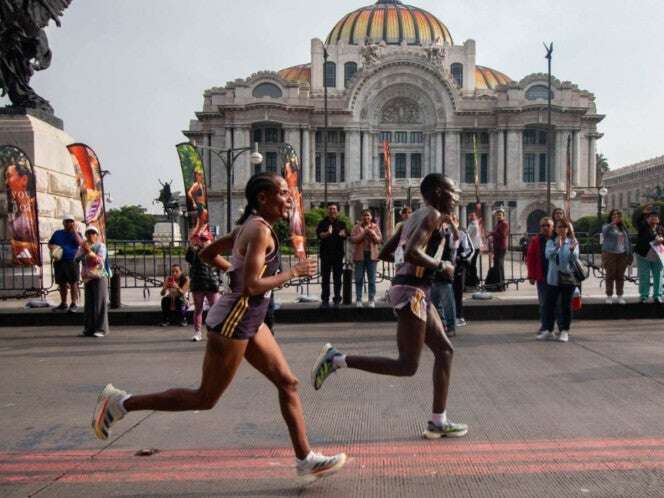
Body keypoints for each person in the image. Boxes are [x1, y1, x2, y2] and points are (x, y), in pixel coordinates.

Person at [91, 172, 347, 482]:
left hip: (250, 319)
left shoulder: (250, 227)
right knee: (205, 398)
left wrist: (233, 273)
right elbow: (252, 286)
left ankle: (305, 459)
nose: (289, 198)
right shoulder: (257, 230)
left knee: (288, 383)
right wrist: (292, 272)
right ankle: (121, 403)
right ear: (263, 198)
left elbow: (207, 253)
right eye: (282, 193)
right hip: (233, 323)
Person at [312, 174, 468, 440]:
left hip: (416, 288)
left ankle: (438, 421)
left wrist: (418, 266)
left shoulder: (414, 217)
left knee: (444, 350)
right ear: (439, 191)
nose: (457, 197)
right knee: (407, 366)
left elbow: (386, 252)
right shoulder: (431, 215)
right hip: (413, 292)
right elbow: (411, 253)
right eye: (453, 192)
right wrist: (441, 265)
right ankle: (336, 359)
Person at [540, 220, 579, 343]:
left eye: (564, 227)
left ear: (568, 229)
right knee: (549, 305)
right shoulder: (550, 242)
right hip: (553, 278)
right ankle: (548, 330)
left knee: (565, 305)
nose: (561, 229)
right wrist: (557, 247)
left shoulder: (573, 242)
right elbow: (548, 256)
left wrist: (572, 250)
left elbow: (573, 260)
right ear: (555, 229)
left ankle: (564, 330)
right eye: (559, 227)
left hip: (567, 278)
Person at [186, 233, 229, 342]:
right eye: (202, 240)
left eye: (206, 240)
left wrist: (221, 283)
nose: (204, 242)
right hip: (198, 283)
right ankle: (198, 332)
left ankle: (215, 331)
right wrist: (192, 244)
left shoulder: (214, 253)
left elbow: (221, 268)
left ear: (210, 240)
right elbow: (188, 257)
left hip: (212, 283)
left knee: (215, 308)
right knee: (198, 308)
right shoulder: (195, 253)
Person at [75, 226, 110, 338]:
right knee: (89, 304)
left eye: (93, 233)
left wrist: (88, 251)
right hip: (87, 277)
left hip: (99, 276)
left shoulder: (101, 246)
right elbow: (76, 259)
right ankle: (89, 328)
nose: (91, 235)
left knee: (99, 303)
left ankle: (101, 329)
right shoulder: (82, 247)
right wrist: (83, 250)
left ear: (97, 235)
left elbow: (99, 260)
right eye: (88, 233)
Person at [48, 214, 83, 312]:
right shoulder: (57, 233)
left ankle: (73, 303)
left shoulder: (77, 233)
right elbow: (50, 243)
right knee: (62, 283)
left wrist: (75, 232)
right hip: (59, 261)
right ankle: (63, 303)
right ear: (63, 223)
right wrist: (53, 248)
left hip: (72, 261)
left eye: (71, 221)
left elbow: (81, 243)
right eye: (67, 221)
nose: (69, 223)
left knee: (73, 283)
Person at [527, 217, 556, 336]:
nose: (545, 228)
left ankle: (557, 325)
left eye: (548, 225)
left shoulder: (558, 239)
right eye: (543, 226)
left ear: (552, 227)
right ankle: (545, 325)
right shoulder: (536, 240)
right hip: (542, 276)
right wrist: (531, 276)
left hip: (556, 277)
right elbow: (530, 258)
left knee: (557, 303)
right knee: (544, 302)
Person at [316, 203, 348, 308]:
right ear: (327, 210)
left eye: (334, 209)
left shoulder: (342, 223)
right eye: (330, 209)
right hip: (325, 254)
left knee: (337, 278)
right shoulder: (322, 223)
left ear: (337, 211)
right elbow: (319, 235)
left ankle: (337, 299)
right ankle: (325, 300)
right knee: (325, 278)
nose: (332, 211)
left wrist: (344, 234)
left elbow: (346, 234)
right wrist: (327, 234)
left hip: (338, 255)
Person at [431, 219, 458, 336]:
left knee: (447, 303)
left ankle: (451, 327)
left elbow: (456, 238)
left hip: (443, 274)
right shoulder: (429, 237)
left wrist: (451, 222)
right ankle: (440, 326)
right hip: (431, 275)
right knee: (433, 305)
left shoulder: (448, 236)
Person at [350, 209, 383, 308]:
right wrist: (364, 232)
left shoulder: (375, 227)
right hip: (360, 256)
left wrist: (372, 233)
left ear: (371, 217)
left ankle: (371, 300)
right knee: (359, 278)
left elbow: (379, 240)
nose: (366, 217)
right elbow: (353, 239)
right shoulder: (356, 227)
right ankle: (359, 300)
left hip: (372, 256)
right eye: (364, 215)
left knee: (372, 279)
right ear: (361, 217)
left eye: (368, 216)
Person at [601, 209, 633, 305]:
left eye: (618, 215)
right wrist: (612, 223)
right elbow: (604, 232)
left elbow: (627, 242)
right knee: (610, 275)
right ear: (611, 216)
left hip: (622, 254)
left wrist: (629, 253)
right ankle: (609, 296)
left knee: (620, 275)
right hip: (610, 253)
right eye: (614, 215)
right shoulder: (607, 226)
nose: (616, 216)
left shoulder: (622, 228)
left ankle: (620, 295)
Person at [634, 207, 664, 303]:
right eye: (651, 216)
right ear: (648, 218)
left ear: (658, 219)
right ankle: (644, 296)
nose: (653, 218)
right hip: (643, 255)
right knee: (644, 276)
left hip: (658, 256)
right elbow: (638, 221)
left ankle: (658, 295)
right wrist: (643, 213)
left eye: (655, 217)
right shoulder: (643, 226)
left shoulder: (661, 228)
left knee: (658, 276)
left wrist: (661, 240)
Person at [452, 215, 474, 328]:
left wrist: (461, 257)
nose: (451, 222)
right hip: (446, 269)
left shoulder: (462, 234)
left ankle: (459, 316)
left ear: (457, 222)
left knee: (457, 293)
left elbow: (471, 250)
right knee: (447, 293)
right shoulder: (443, 234)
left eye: (453, 220)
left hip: (459, 268)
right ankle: (449, 316)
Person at [488, 208, 509, 291]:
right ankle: (498, 285)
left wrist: (492, 233)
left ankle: (501, 286)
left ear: (503, 216)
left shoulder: (504, 224)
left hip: (501, 247)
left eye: (500, 215)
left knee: (499, 266)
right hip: (497, 247)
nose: (498, 216)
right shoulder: (498, 224)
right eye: (497, 215)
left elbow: (503, 235)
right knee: (497, 266)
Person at [465, 211, 482, 288]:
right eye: (470, 216)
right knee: (471, 265)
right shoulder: (473, 224)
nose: (470, 217)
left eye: (471, 216)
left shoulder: (474, 225)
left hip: (474, 247)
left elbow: (468, 235)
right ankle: (474, 280)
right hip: (474, 247)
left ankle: (474, 281)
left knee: (472, 265)